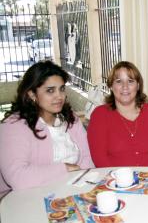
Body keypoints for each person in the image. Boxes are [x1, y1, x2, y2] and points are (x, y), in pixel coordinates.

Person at [0, 61, 94, 191]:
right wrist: (65, 169)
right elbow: (18, 177)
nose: (59, 96)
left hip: (74, 191)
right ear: (32, 94)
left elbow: (86, 157)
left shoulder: (70, 118)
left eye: (61, 89)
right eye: (50, 91)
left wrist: (83, 185)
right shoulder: (14, 126)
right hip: (28, 198)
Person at [87, 61, 148, 167]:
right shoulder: (100, 115)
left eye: (130, 81)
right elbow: (99, 159)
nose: (125, 86)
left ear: (138, 85)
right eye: (118, 81)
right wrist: (120, 179)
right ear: (111, 86)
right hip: (116, 180)